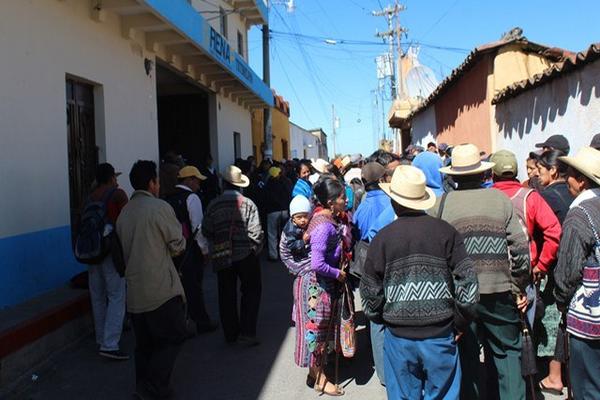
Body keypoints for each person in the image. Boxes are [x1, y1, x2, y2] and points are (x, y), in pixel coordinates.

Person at [361, 165, 479, 400]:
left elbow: (370, 294)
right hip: (440, 335)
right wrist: (459, 321)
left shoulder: (382, 239)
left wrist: (382, 317)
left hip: (398, 337)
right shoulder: (446, 232)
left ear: (394, 202)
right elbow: (468, 284)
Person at [433, 143, 531, 400]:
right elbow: (520, 249)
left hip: (460, 295)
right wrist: (518, 285)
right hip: (499, 291)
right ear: (483, 173)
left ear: (452, 176)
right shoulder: (500, 200)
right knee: (507, 352)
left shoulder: (440, 206)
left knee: (467, 355)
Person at [490, 150, 564, 394]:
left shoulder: (486, 197)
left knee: (496, 341)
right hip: (525, 276)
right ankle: (526, 387)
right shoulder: (529, 197)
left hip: (492, 279)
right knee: (524, 335)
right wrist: (541, 265)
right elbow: (554, 231)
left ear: (493, 172)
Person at [116, 160, 188, 399]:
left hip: (135, 292)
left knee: (145, 344)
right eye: (157, 181)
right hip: (160, 288)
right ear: (151, 183)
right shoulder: (159, 207)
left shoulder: (124, 214)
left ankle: (143, 386)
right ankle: (155, 384)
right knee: (174, 334)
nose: (158, 185)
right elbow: (177, 245)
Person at [293, 177, 347, 397]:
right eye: (342, 197)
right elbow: (317, 263)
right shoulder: (324, 226)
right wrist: (338, 273)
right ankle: (321, 379)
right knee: (317, 335)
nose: (346, 200)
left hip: (321, 285)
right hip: (316, 287)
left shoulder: (321, 218)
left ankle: (314, 373)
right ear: (332, 202)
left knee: (317, 334)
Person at [554, 147, 600, 399]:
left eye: (569, 174)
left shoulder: (580, 215)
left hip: (590, 320)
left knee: (588, 388)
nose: (565, 180)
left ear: (581, 180)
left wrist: (562, 302)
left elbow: (568, 273)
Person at [202, 166, 264, 346]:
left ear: (222, 184)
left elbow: (206, 230)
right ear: (239, 185)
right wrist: (254, 250)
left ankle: (230, 334)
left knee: (226, 294)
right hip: (246, 255)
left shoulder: (213, 204)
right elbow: (256, 233)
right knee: (251, 292)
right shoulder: (248, 204)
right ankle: (247, 333)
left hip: (222, 255)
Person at [166, 166, 218, 334]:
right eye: (196, 180)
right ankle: (201, 322)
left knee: (178, 288)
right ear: (188, 180)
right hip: (190, 249)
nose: (198, 184)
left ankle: (181, 322)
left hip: (173, 249)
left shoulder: (168, 198)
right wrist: (204, 251)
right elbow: (198, 228)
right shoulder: (192, 198)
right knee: (194, 287)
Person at [86, 163, 129, 360]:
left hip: (92, 252)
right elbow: (126, 223)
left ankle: (101, 338)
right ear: (112, 177)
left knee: (97, 296)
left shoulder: (89, 197)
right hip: (112, 252)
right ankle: (110, 344)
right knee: (116, 296)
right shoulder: (118, 195)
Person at [537, 150, 574, 225]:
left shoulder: (545, 197)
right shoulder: (574, 192)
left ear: (553, 170)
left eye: (540, 169)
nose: (537, 173)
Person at [265, 166, 292, 261]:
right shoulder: (285, 182)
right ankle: (285, 253)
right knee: (284, 233)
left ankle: (273, 255)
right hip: (284, 210)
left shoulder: (268, 184)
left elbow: (266, 197)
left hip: (272, 211)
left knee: (272, 233)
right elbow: (289, 195)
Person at [281, 195, 312, 264]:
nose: (303, 220)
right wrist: (303, 241)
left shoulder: (305, 223)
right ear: (293, 218)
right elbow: (290, 244)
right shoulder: (291, 229)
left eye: (305, 216)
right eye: (299, 217)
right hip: (294, 256)